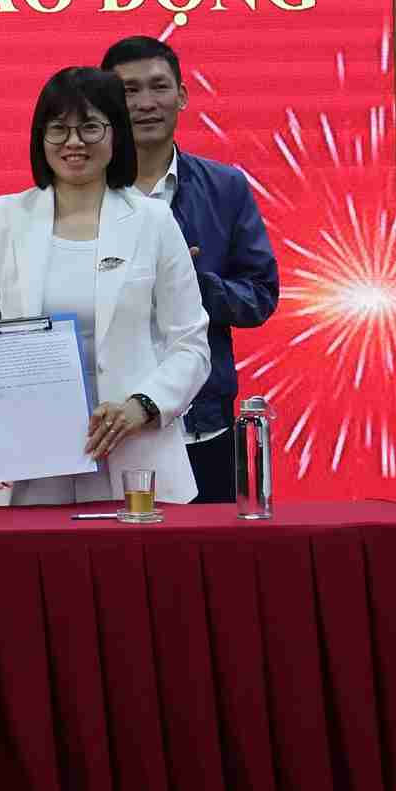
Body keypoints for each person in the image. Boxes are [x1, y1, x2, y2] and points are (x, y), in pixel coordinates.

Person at [0, 66, 211, 505]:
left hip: (136, 459)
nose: (74, 142)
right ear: (40, 137)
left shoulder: (154, 221)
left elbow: (191, 345)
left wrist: (141, 406)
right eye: (59, 129)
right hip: (23, 461)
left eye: (90, 126)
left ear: (116, 133)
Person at [102, 36, 280, 503]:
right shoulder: (80, 195)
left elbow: (261, 295)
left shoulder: (225, 187)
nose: (144, 103)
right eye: (128, 91)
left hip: (203, 424)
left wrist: (192, 285)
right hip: (107, 429)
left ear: (181, 95)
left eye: (158, 87)